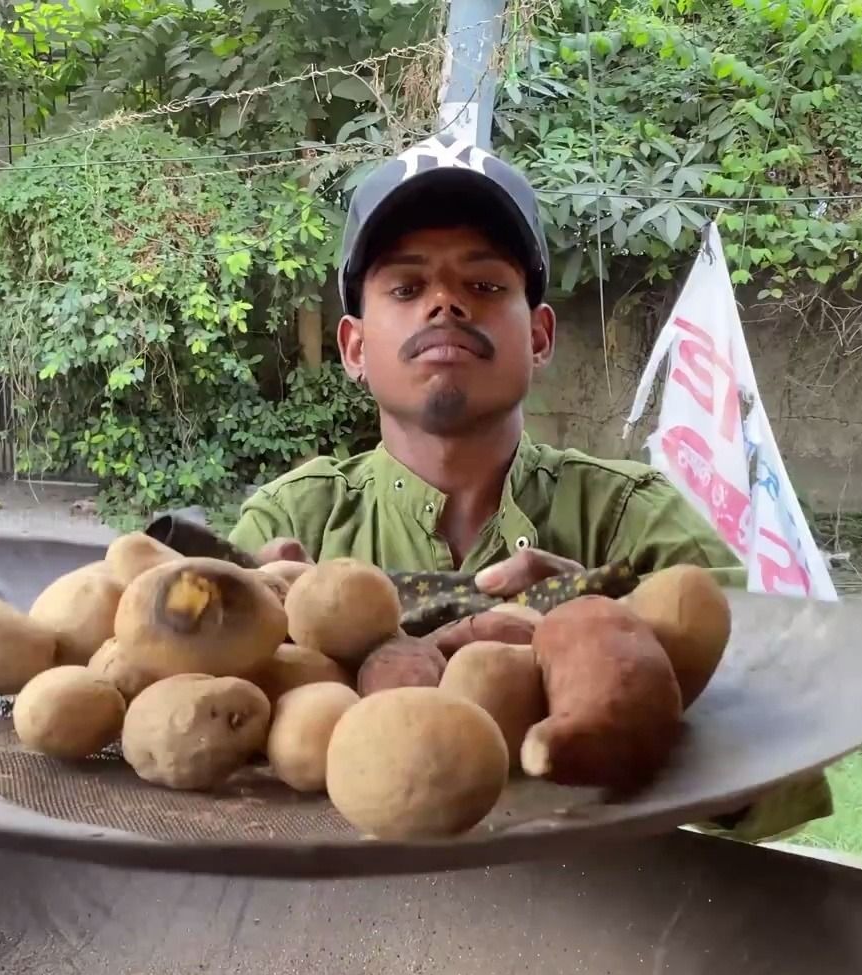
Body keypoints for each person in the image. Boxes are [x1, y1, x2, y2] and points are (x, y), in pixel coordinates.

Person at [228, 137, 829, 840]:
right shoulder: (295, 518)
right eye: (407, 287)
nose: (446, 304)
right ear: (355, 348)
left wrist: (613, 645)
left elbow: (786, 782)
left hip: (595, 919)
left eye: (484, 286)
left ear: (540, 336)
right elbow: (193, 759)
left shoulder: (636, 523)